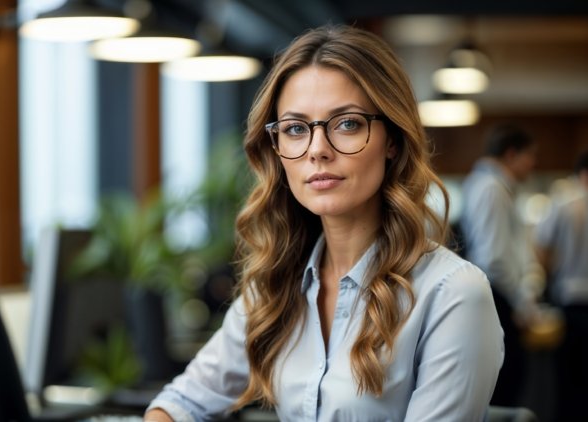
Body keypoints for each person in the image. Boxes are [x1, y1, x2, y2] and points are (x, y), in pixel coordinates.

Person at [144, 25, 503, 421]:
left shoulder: (453, 294)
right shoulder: (275, 287)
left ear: (393, 141)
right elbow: (180, 403)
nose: (317, 150)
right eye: (296, 129)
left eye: (347, 123)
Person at [459, 124, 544, 406]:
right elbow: (494, 257)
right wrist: (522, 303)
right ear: (511, 154)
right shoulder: (491, 187)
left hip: (498, 294)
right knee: (506, 386)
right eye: (529, 156)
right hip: (499, 296)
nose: (532, 164)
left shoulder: (490, 185)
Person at [533, 151, 588, 419]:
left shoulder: (565, 203)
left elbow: (541, 247)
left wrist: (548, 277)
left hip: (569, 299)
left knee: (569, 378)